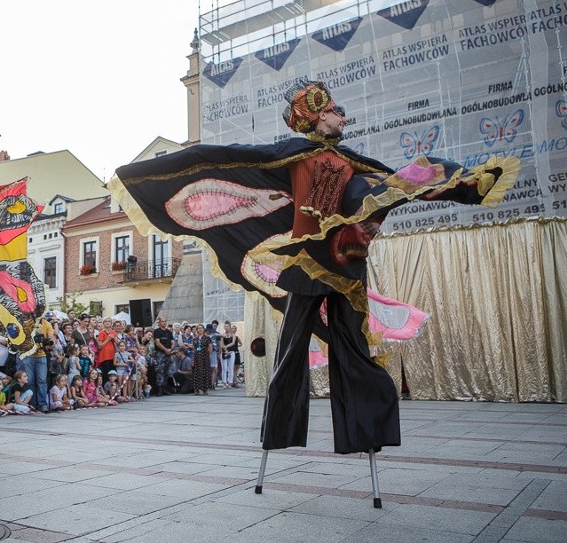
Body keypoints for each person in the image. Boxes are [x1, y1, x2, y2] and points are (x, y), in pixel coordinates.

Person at [110, 79, 519, 455]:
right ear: (320, 113)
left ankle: (365, 432)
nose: (344, 117)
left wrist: (467, 186)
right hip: (306, 263)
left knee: (354, 351)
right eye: (338, 110)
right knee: (289, 354)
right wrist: (145, 174)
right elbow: (224, 157)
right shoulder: (292, 152)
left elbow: (401, 183)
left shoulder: (350, 159)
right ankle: (280, 432)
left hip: (343, 267)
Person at [151, 317, 174, 396]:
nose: (164, 323)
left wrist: (171, 349)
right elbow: (157, 343)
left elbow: (173, 341)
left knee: (166, 371)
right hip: (160, 354)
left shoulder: (169, 332)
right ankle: (159, 389)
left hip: (168, 353)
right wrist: (165, 350)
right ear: (159, 323)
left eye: (165, 321)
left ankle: (165, 387)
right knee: (159, 371)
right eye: (162, 321)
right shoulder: (157, 331)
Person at [191, 324, 212, 396]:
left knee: (205, 372)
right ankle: (197, 388)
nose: (200, 329)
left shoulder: (207, 338)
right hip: (197, 357)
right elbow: (193, 349)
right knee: (197, 372)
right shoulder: (195, 339)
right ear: (197, 330)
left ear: (203, 329)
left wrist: (207, 355)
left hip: (205, 357)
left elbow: (210, 348)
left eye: (201, 328)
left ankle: (204, 389)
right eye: (198, 328)